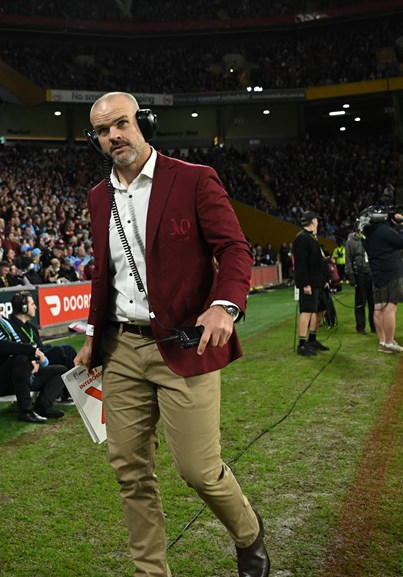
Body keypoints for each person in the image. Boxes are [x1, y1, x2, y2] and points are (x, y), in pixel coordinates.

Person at [74, 93, 268, 577]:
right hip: (120, 349)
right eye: (102, 130)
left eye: (121, 124)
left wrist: (224, 307)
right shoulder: (99, 197)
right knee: (130, 472)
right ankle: (150, 572)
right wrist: (94, 337)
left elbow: (236, 250)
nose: (113, 136)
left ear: (146, 123)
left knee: (199, 470)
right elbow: (107, 276)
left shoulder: (195, 178)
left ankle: (248, 533)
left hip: (184, 344)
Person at [0, 292, 67, 423]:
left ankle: (42, 408)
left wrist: (32, 358)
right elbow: (3, 346)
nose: (0, 309)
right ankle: (25, 411)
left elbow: (17, 344)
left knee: (60, 371)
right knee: (20, 359)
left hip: (21, 375)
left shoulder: (1, 323)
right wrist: (31, 352)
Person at [7, 290, 76, 404]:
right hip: (29, 362)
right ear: (24, 308)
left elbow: (40, 347)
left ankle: (69, 392)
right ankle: (66, 393)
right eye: (32, 304)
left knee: (67, 349)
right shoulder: (12, 327)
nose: (35, 307)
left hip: (40, 358)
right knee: (61, 350)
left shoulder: (30, 327)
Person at [363, 211, 403, 353]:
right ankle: (389, 342)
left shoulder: (367, 232)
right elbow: (402, 242)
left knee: (378, 308)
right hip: (390, 273)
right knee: (390, 308)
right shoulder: (383, 230)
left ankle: (383, 342)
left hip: (377, 274)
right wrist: (400, 226)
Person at [292, 211, 331, 356]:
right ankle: (302, 344)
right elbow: (300, 264)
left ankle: (312, 339)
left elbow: (319, 262)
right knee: (307, 311)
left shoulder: (311, 237)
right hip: (310, 283)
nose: (318, 222)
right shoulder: (301, 238)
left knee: (320, 310)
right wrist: (305, 284)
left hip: (318, 282)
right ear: (313, 221)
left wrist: (325, 279)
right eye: (317, 220)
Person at [344, 228, 375, 335]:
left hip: (371, 274)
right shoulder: (351, 242)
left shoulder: (370, 240)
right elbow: (348, 260)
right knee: (360, 302)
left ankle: (374, 326)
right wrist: (351, 275)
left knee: (373, 302)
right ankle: (360, 327)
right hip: (360, 274)